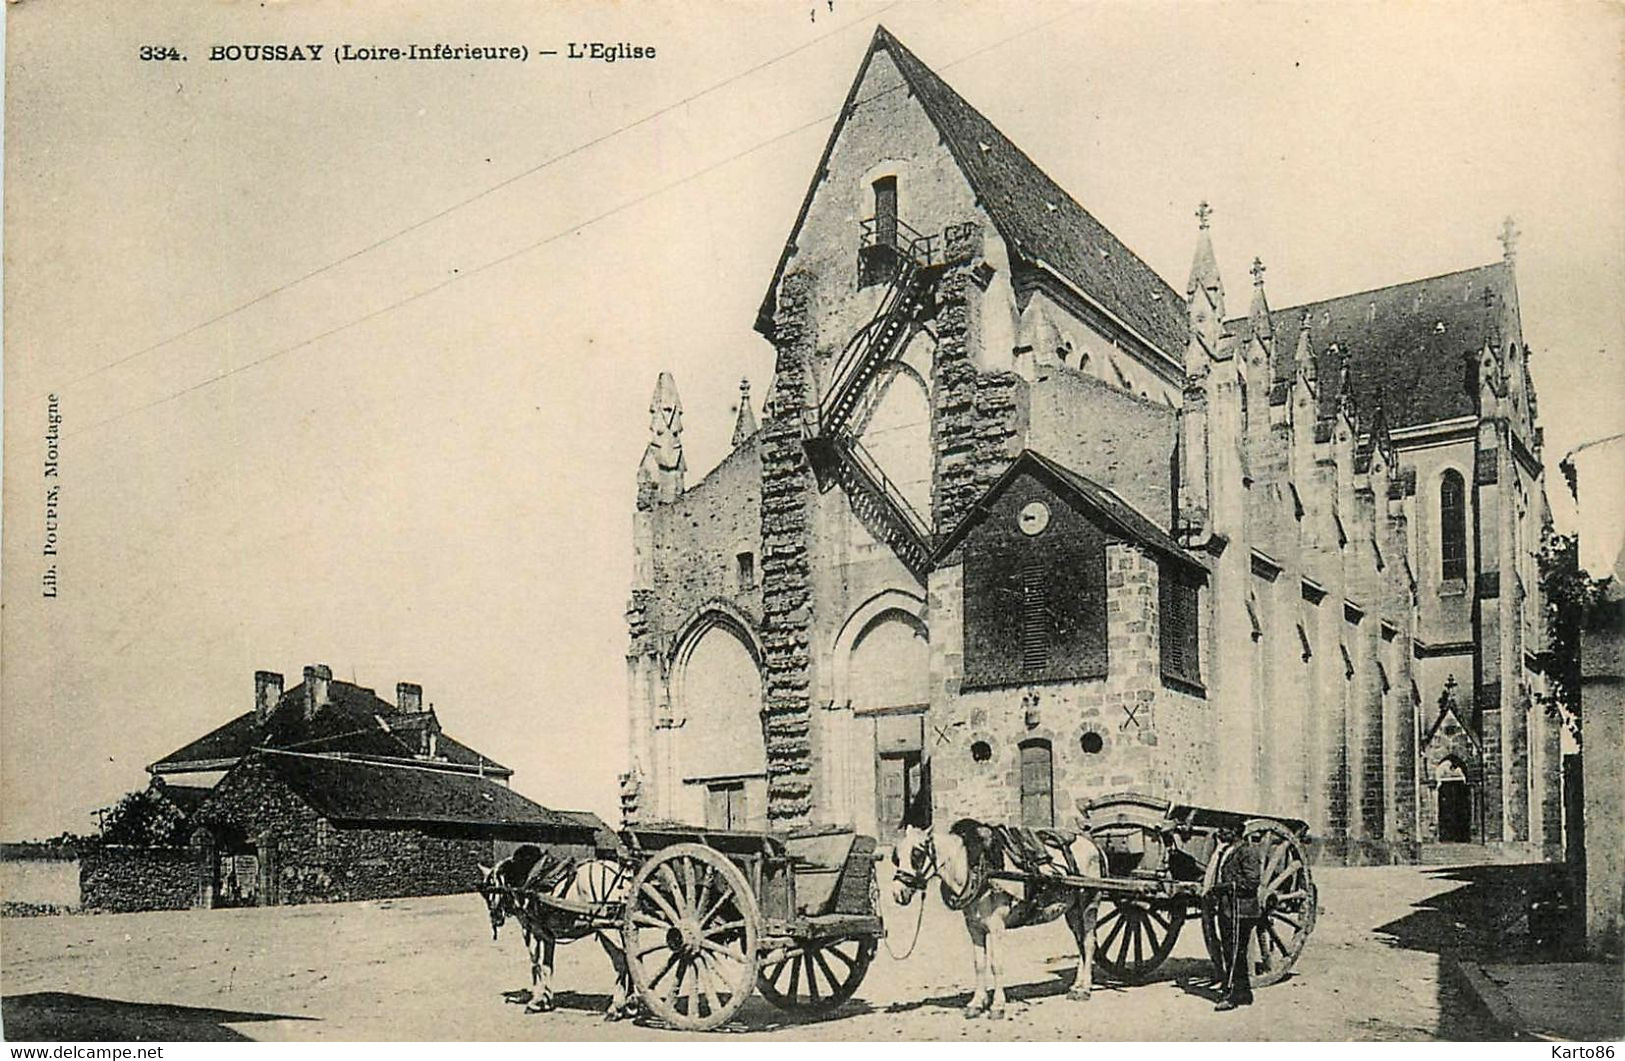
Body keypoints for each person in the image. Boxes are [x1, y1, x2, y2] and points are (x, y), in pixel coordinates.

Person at [1215, 830, 1266, 1011]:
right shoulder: (1227, 850)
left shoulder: (1248, 852)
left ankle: (1232, 995)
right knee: (1231, 950)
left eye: (1224, 830)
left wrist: (1226, 887)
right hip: (1229, 909)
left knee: (1235, 952)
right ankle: (1244, 993)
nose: (1220, 833)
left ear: (1236, 832)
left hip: (1241, 910)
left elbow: (1252, 882)